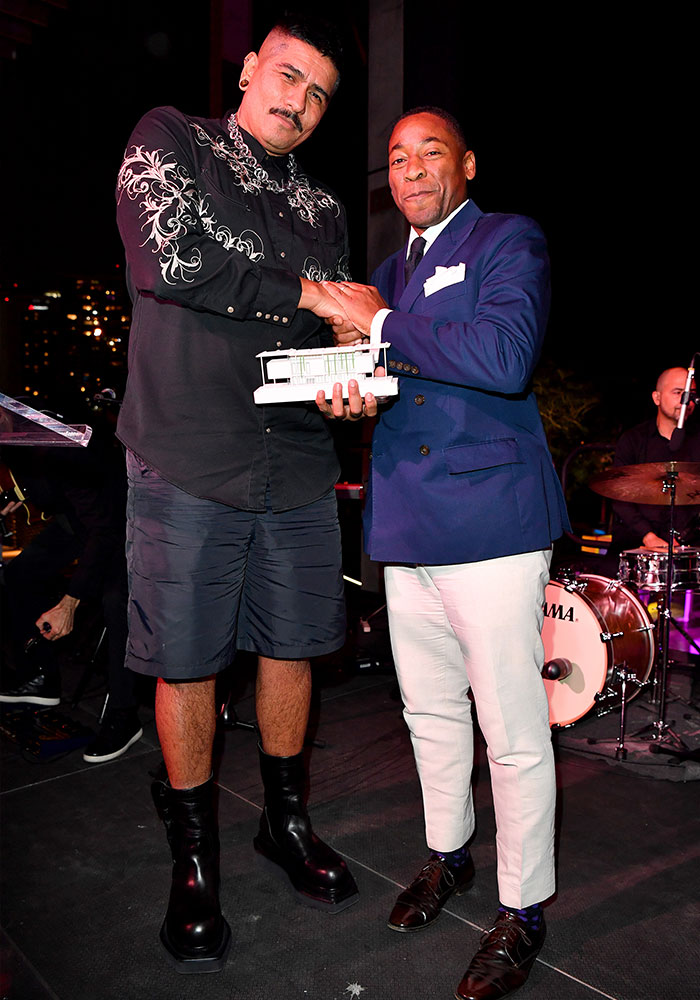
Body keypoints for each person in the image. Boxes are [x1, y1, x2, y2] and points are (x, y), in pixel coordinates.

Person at [115, 15, 373, 975]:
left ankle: (284, 824)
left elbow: (332, 341)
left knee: (295, 647)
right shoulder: (170, 137)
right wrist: (315, 295)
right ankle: (193, 860)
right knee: (186, 662)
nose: (298, 102)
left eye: (317, 96)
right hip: (187, 453)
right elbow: (171, 260)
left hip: (299, 461)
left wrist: (352, 376)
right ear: (249, 67)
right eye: (288, 76)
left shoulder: (324, 210)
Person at [322, 107, 569, 1000]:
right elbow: (391, 380)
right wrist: (347, 393)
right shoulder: (391, 270)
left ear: (467, 162)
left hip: (491, 520)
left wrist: (381, 323)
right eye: (396, 156)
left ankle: (524, 908)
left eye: (431, 152)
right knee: (428, 713)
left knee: (511, 731)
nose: (412, 168)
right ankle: (447, 858)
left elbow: (504, 358)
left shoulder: (509, 240)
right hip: (405, 522)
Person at [0, 409, 143, 765]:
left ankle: (124, 716)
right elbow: (45, 487)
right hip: (80, 522)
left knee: (115, 600)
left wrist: (69, 603)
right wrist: (19, 493)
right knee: (20, 574)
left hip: (125, 525)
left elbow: (104, 530)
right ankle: (42, 678)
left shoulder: (58, 448)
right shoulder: (18, 440)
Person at [612, 366, 700, 552]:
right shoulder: (632, 440)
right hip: (637, 544)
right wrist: (648, 536)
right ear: (657, 398)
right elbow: (619, 497)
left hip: (690, 547)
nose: (686, 401)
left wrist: (687, 536)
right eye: (678, 393)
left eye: (690, 394)